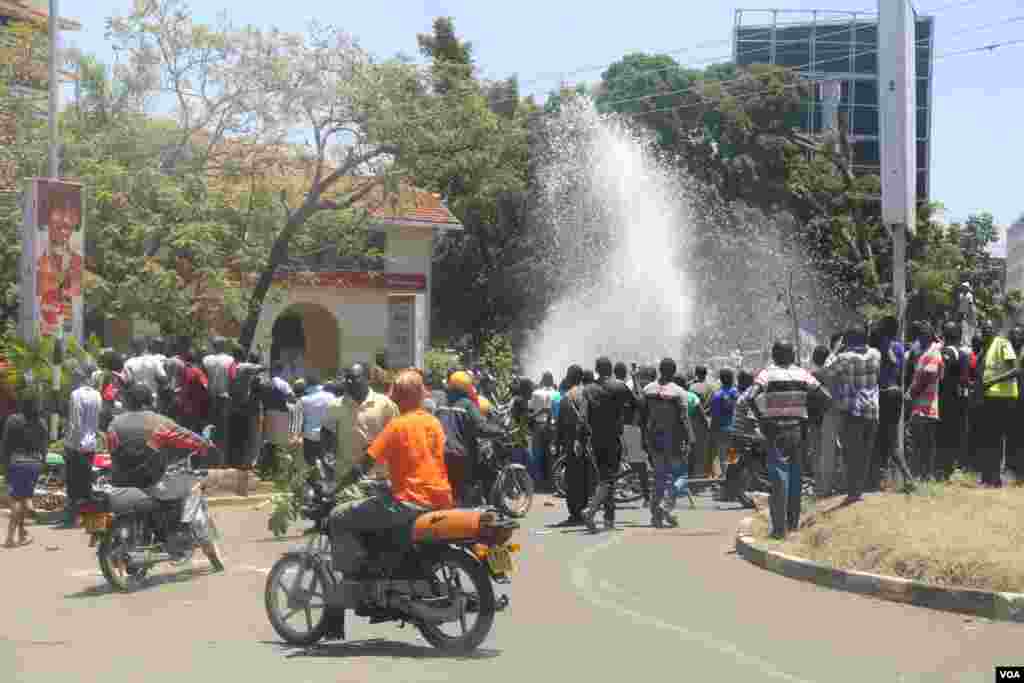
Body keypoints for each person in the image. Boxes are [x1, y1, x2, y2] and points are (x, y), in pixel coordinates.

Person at [329, 370, 453, 575]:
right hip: (440, 498)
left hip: (409, 501)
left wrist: (335, 489)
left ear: (396, 397)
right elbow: (420, 460)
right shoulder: (434, 422)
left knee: (338, 515)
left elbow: (363, 466)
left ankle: (350, 582)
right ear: (421, 395)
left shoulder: (397, 426)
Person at [741, 341, 831, 539]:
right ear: (792, 355)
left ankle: (779, 529)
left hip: (775, 431)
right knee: (796, 477)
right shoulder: (803, 374)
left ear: (774, 355)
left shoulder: (766, 374)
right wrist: (811, 417)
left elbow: (749, 397)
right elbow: (826, 397)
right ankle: (792, 524)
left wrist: (762, 418)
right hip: (798, 430)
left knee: (779, 479)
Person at [322, 363, 399, 504]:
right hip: (345, 478)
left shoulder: (385, 404)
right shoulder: (335, 405)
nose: (348, 382)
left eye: (353, 378)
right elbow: (326, 432)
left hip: (377, 478)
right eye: (346, 378)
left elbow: (396, 438)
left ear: (367, 379)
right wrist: (328, 454)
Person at [579, 357, 633, 532]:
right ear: (610, 370)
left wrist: (580, 440)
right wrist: (636, 379)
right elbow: (638, 403)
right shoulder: (619, 387)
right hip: (613, 439)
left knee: (605, 478)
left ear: (596, 369)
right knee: (608, 479)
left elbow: (582, 417)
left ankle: (609, 519)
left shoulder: (588, 390)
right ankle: (591, 510)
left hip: (595, 439)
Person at [641, 358, 694, 528]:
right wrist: (691, 439)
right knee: (682, 476)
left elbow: (641, 417)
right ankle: (667, 504)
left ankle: (657, 515)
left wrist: (644, 439)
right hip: (674, 440)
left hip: (653, 439)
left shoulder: (647, 390)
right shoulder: (679, 392)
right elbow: (685, 419)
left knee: (659, 477)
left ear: (660, 370)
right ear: (673, 372)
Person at [435, 370, 502, 506]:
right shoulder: (467, 404)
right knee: (464, 492)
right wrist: (499, 431)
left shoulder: (441, 402)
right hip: (459, 454)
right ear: (466, 387)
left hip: (439, 452)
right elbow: (481, 428)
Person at [971, 319, 1019, 487]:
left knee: (995, 438)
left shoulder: (1003, 344)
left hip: (1004, 398)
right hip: (990, 397)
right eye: (984, 330)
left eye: (989, 329)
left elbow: (1015, 369)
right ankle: (989, 477)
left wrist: (992, 381)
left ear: (995, 330)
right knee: (989, 438)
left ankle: (995, 478)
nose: (986, 332)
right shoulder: (986, 347)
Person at [61, 359, 102, 528]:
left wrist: (73, 445)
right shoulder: (97, 394)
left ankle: (73, 518)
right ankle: (87, 520)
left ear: (81, 374)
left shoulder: (76, 394)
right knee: (86, 482)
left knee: (72, 482)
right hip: (91, 444)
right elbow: (96, 421)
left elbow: (75, 423)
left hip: (76, 445)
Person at [3, 394, 47, 547]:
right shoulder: (41, 422)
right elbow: (44, 447)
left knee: (15, 500)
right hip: (34, 464)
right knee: (23, 498)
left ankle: (9, 538)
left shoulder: (13, 420)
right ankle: (21, 534)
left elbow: (5, 446)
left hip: (17, 462)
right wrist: (41, 464)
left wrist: (5, 466)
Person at [552, 365, 589, 527]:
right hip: (587, 442)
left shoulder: (567, 397)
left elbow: (560, 425)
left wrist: (557, 445)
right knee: (586, 477)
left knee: (572, 479)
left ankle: (575, 513)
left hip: (571, 444)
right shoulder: (588, 393)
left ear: (568, 377)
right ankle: (586, 509)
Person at [906, 322, 944, 480]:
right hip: (922, 404)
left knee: (923, 442)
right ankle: (923, 474)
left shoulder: (933, 353)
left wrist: (911, 393)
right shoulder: (925, 351)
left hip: (926, 405)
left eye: (921, 336)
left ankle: (924, 474)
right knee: (922, 441)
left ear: (928, 336)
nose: (918, 340)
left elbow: (929, 376)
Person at [810, 344, 841, 497]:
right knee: (832, 452)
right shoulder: (832, 373)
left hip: (817, 419)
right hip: (830, 416)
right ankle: (834, 483)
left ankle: (821, 487)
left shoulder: (814, 375)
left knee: (818, 454)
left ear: (814, 359)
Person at [937, 322, 967, 478]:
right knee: (949, 433)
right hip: (952, 399)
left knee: (945, 433)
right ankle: (947, 466)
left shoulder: (949, 352)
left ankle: (945, 468)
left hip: (947, 399)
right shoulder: (959, 353)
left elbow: (946, 378)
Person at [202, 337, 235, 464]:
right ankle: (221, 460)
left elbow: (202, 379)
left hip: (210, 398)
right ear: (224, 346)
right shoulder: (230, 360)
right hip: (224, 398)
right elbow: (232, 378)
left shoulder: (206, 360)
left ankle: (207, 457)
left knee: (209, 428)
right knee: (223, 430)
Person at [708, 368, 740, 494]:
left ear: (721, 380)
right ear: (732, 379)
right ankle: (733, 483)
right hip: (735, 429)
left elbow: (714, 416)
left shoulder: (717, 395)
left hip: (721, 430)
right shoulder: (737, 393)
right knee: (733, 457)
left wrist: (712, 431)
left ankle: (727, 484)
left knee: (722, 458)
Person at [528, 372, 561, 487]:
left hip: (538, 425)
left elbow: (531, 410)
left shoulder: (535, 393)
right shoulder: (557, 394)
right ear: (552, 381)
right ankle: (552, 482)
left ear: (542, 380)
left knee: (537, 453)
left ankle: (538, 481)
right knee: (551, 454)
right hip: (553, 427)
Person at [299, 372, 333, 471]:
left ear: (307, 384)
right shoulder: (330, 397)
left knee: (310, 463)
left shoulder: (304, 400)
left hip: (309, 436)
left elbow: (301, 420)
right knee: (326, 462)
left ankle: (315, 483)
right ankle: (327, 482)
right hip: (326, 436)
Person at [688, 365, 716, 479]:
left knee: (694, 449)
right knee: (705, 449)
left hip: (695, 421)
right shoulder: (712, 387)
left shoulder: (692, 387)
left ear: (696, 373)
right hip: (708, 420)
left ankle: (694, 475)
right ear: (706, 374)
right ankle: (705, 474)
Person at [124, 338, 168, 407]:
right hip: (153, 400)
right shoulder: (155, 360)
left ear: (132, 348)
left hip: (135, 402)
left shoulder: (128, 363)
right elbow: (163, 379)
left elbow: (128, 381)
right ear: (145, 346)